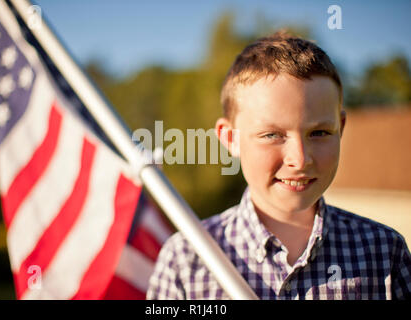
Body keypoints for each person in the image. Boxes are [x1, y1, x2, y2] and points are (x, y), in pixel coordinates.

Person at [146, 31, 411, 300]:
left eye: (319, 133)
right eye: (272, 135)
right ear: (230, 138)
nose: (300, 159)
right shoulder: (185, 261)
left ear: (340, 128)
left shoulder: (383, 253)